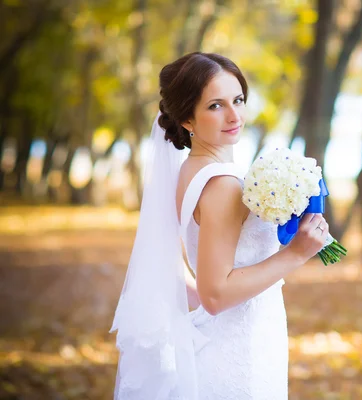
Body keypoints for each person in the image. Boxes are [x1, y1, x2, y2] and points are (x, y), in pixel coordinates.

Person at [110, 52, 330, 400]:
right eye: (215, 105)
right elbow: (214, 295)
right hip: (239, 357)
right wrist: (297, 254)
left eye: (238, 100)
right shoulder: (223, 185)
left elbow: (201, 275)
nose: (234, 115)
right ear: (186, 119)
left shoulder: (190, 171)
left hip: (236, 340)